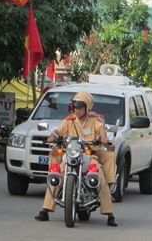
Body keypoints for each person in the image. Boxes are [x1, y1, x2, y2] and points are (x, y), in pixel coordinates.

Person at [34, 92, 117, 227]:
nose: (77, 110)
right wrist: (52, 137)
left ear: (87, 107)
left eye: (80, 107)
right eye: (75, 107)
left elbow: (103, 137)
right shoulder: (69, 120)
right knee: (56, 177)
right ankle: (45, 210)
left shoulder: (95, 121)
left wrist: (102, 134)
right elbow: (58, 131)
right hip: (71, 154)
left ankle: (110, 215)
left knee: (99, 178)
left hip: (90, 155)